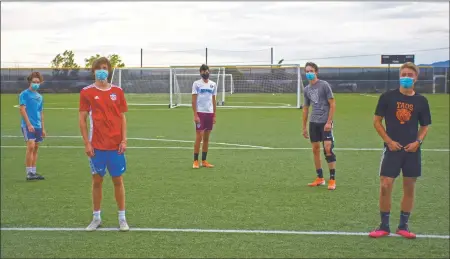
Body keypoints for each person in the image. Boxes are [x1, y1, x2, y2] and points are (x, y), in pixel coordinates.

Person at [369, 62, 431, 239]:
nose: (406, 77)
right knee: (385, 185)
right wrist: (388, 141)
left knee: (409, 187)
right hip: (392, 149)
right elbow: (376, 121)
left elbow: (425, 126)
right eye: (403, 74)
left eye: (410, 75)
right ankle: (384, 226)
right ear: (399, 76)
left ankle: (403, 226)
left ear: (416, 78)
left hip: (412, 151)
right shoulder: (387, 97)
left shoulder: (421, 101)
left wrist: (418, 142)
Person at [79, 57, 130, 231]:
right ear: (93, 71)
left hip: (116, 146)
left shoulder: (118, 91)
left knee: (118, 180)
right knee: (97, 181)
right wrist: (87, 143)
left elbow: (122, 117)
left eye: (105, 68)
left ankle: (122, 218)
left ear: (108, 70)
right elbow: (82, 120)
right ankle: (96, 217)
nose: (102, 70)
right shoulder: (86, 92)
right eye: (99, 68)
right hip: (97, 147)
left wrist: (124, 139)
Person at [302, 62, 337, 190]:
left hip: (325, 122)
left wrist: (329, 122)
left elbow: (332, 104)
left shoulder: (324, 85)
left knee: (328, 149)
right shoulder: (306, 89)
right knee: (315, 150)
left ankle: (332, 179)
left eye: (311, 71)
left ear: (316, 72)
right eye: (307, 71)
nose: (309, 73)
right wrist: (304, 127)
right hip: (313, 123)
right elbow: (306, 108)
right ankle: (320, 178)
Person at [19, 72, 46, 181]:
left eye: (38, 82)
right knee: (30, 146)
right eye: (34, 82)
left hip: (38, 126)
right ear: (30, 82)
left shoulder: (40, 97)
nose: (36, 84)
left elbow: (40, 112)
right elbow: (22, 109)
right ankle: (28, 172)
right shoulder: (24, 94)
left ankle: (34, 172)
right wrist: (29, 124)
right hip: (27, 125)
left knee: (35, 148)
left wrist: (43, 128)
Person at [192, 64, 217, 169]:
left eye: (206, 71)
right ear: (200, 73)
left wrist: (214, 115)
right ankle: (195, 161)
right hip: (200, 113)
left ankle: (204, 161)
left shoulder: (213, 84)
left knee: (206, 138)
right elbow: (193, 100)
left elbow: (213, 100)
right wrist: (195, 114)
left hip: (209, 113)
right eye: (203, 71)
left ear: (209, 71)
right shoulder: (196, 84)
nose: (205, 73)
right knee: (199, 137)